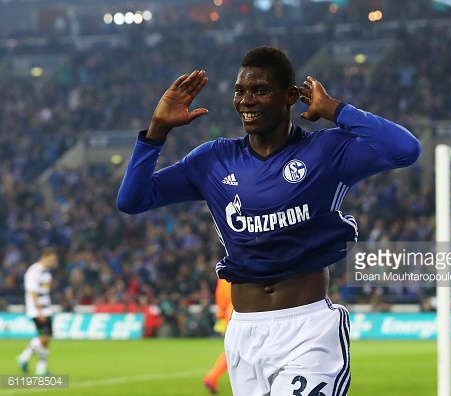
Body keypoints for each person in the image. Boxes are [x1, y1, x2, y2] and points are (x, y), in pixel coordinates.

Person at [117, 46, 421, 395]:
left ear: (291, 96)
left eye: (260, 90)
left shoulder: (326, 151)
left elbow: (405, 149)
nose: (246, 100)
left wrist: (337, 110)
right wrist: (156, 130)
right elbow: (132, 200)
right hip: (244, 334)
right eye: (240, 91)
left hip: (308, 330)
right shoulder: (213, 160)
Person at [17, 248, 59, 375]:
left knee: (46, 338)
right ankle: (24, 358)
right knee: (44, 337)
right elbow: (32, 292)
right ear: (45, 257)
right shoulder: (34, 271)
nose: (53, 262)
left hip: (46, 308)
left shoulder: (46, 272)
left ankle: (40, 367)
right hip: (36, 310)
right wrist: (39, 310)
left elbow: (45, 290)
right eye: (52, 259)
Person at [203, 278, 233, 394]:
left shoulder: (226, 268)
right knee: (238, 349)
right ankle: (212, 376)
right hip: (242, 309)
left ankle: (212, 377)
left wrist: (220, 312)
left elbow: (220, 293)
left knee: (235, 348)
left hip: (229, 310)